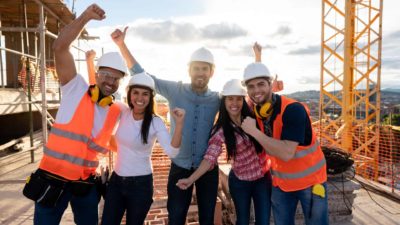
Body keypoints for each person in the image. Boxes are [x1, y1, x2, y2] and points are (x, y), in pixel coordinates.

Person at [111, 27, 220, 225]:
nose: (200, 73)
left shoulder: (216, 99)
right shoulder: (175, 90)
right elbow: (141, 75)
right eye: (196, 68)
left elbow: (239, 106)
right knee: (176, 217)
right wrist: (121, 45)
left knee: (207, 218)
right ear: (189, 70)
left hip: (207, 169)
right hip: (180, 166)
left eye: (205, 68)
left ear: (212, 72)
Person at [32, 4, 128, 225]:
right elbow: (59, 47)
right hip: (52, 179)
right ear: (97, 73)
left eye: (116, 78)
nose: (110, 81)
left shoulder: (116, 110)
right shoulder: (75, 89)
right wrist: (85, 17)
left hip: (84, 184)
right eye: (105, 75)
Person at [240, 45, 329, 225]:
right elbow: (256, 90)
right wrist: (258, 57)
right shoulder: (259, 110)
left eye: (261, 84)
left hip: (311, 183)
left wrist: (254, 132)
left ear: (270, 85)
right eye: (251, 87)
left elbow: (287, 153)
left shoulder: (292, 110)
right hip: (281, 184)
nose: (256, 90)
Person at [176, 79, 272, 225]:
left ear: (243, 100)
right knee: (243, 221)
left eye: (238, 99)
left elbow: (263, 95)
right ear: (224, 101)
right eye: (230, 99)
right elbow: (209, 159)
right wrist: (191, 179)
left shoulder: (254, 116)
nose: (234, 103)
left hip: (263, 179)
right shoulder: (221, 131)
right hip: (240, 182)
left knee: (264, 221)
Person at [101, 72, 185, 225]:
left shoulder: (155, 122)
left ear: (150, 97)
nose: (140, 98)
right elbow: (99, 95)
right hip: (116, 182)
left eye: (145, 94)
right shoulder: (122, 111)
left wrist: (179, 124)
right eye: (136, 93)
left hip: (140, 186)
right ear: (129, 94)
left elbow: (172, 152)